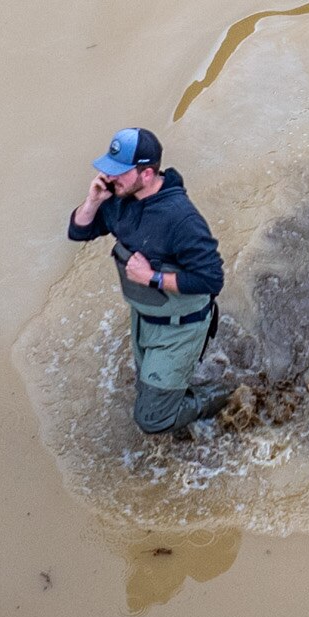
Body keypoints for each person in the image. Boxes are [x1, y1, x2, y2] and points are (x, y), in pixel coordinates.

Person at [66, 127, 233, 436]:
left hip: (180, 326)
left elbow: (211, 278)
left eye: (120, 172)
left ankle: (224, 394)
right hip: (145, 318)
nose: (110, 177)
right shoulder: (119, 200)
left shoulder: (181, 219)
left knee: (151, 420)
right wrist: (93, 201)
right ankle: (174, 397)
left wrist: (150, 277)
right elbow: (78, 231)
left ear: (147, 174)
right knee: (148, 389)